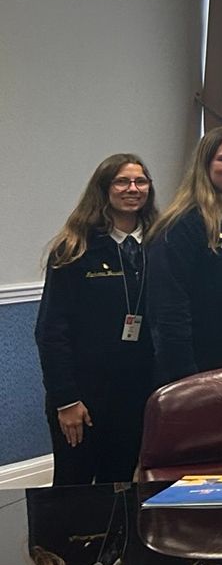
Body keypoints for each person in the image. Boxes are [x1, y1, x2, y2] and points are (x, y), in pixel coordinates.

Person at [35, 155, 158, 484]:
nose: (132, 188)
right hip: (84, 395)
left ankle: (117, 539)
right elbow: (51, 332)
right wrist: (66, 400)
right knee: (73, 487)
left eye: (140, 181)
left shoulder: (162, 244)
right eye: (122, 181)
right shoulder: (75, 249)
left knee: (121, 483)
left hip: (138, 393)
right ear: (103, 190)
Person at [149, 127, 222, 382]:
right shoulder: (181, 228)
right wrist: (186, 381)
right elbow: (169, 314)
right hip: (203, 369)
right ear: (205, 166)